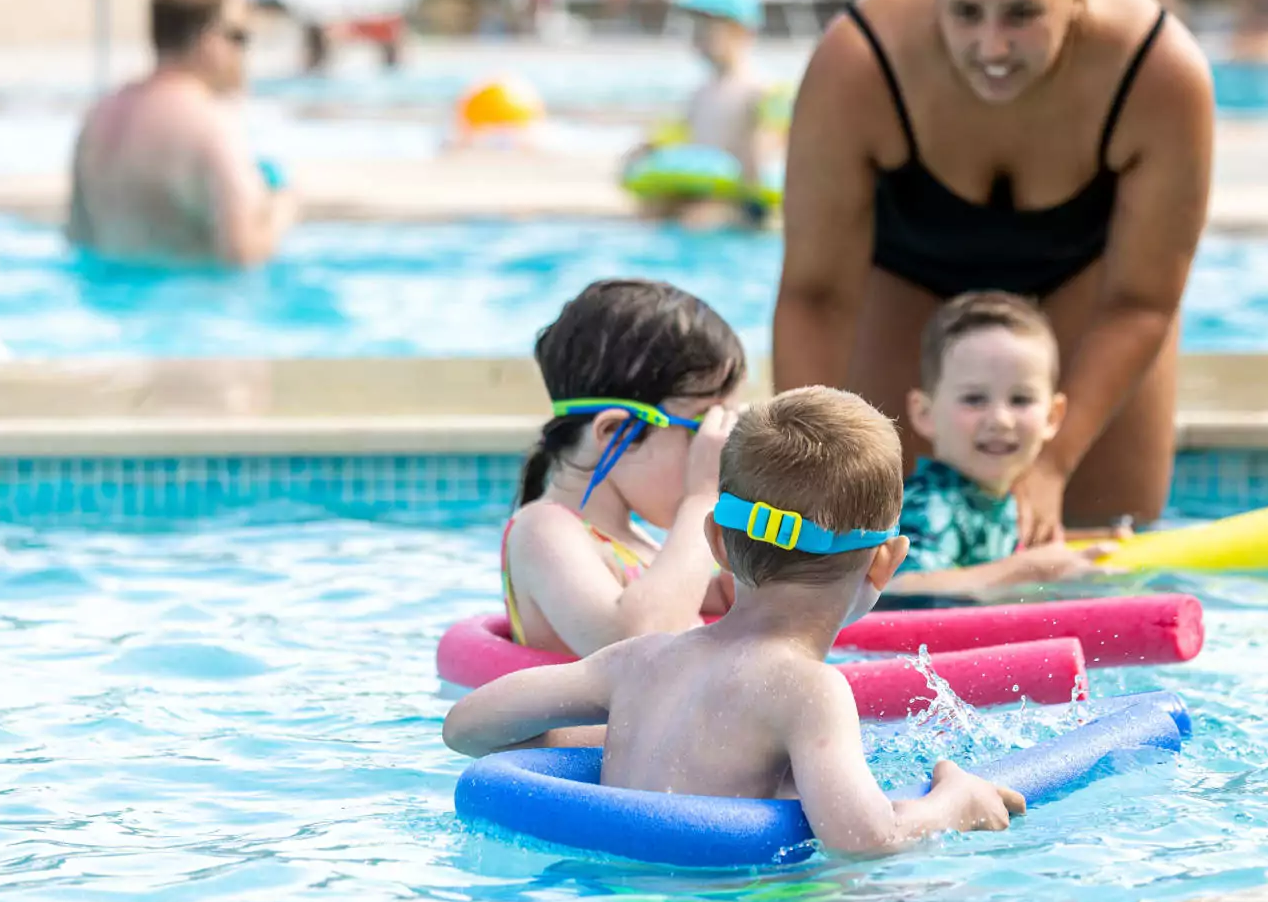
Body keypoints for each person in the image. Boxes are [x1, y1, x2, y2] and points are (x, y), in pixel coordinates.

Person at [773, 0, 1213, 539]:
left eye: (1022, 14)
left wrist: (1055, 462)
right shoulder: (861, 61)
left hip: (1091, 285)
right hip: (907, 272)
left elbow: (1143, 300)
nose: (992, 45)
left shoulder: (1159, 71)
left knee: (1106, 528)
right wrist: (803, 467)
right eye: (967, 12)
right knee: (873, 520)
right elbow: (815, 294)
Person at [443, 386, 1027, 856]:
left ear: (716, 543)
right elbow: (865, 839)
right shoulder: (810, 690)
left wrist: (626, 729)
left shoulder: (638, 662)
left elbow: (465, 727)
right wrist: (954, 803)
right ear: (887, 561)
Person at [503, 279, 746, 658]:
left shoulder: (633, 541)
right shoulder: (543, 531)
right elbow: (638, 644)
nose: (712, 457)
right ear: (613, 431)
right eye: (700, 431)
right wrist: (701, 499)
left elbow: (713, 597)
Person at [891, 292, 1126, 596]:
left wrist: (1088, 545)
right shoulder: (930, 506)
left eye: (1020, 400)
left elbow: (996, 553)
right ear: (925, 414)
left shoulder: (995, 497)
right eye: (974, 399)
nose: (1000, 419)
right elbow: (898, 588)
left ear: (1053, 417)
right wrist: (1027, 569)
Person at [66, 0, 296, 267]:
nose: (244, 53)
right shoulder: (212, 124)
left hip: (108, 304)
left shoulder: (99, 116)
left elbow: (77, 238)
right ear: (209, 41)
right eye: (239, 36)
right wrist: (281, 208)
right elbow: (242, 252)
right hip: (190, 304)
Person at [624, 0, 784, 229]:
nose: (698, 33)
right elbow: (675, 136)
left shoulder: (761, 91)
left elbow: (766, 159)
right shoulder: (700, 94)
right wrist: (645, 150)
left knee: (700, 219)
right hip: (702, 190)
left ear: (743, 30)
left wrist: (761, 141)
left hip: (741, 203)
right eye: (694, 25)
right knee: (651, 211)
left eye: (709, 26)